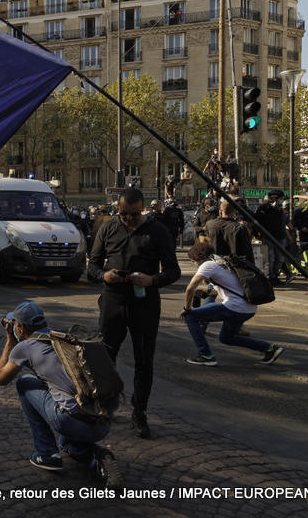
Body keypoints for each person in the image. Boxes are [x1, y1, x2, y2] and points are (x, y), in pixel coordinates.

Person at [87, 188, 180, 439]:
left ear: (142, 210)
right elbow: (92, 265)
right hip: (113, 299)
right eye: (123, 214)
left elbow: (174, 271)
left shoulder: (157, 231)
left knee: (144, 359)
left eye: (134, 214)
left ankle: (139, 413)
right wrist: (103, 275)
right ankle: (106, 405)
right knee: (106, 357)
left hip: (145, 302)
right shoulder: (108, 228)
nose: (128, 219)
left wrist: (153, 280)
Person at [0, 301, 121, 488]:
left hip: (70, 421)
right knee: (68, 444)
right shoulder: (62, 338)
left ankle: (47, 455)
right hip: (102, 420)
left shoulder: (25, 347)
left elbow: (1, 378)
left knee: (24, 382)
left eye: (14, 325)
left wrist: (10, 341)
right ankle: (98, 457)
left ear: (20, 328)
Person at [181, 242, 284, 366]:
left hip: (234, 307)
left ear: (196, 257)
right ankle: (269, 348)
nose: (193, 263)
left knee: (190, 317)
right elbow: (215, 292)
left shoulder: (207, 265)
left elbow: (189, 288)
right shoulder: (222, 262)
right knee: (226, 338)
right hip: (248, 308)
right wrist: (203, 291)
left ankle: (205, 355)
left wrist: (187, 308)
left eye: (192, 261)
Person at [205, 198, 254, 263]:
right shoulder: (239, 228)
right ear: (234, 212)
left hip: (215, 263)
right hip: (234, 265)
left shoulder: (210, 224)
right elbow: (247, 251)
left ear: (220, 211)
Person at [255, 190, 288, 284]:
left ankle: (275, 275)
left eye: (280, 198)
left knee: (280, 259)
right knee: (271, 258)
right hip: (268, 237)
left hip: (281, 237)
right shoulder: (263, 208)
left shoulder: (282, 208)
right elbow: (257, 221)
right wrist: (257, 234)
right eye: (274, 198)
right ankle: (271, 278)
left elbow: (285, 222)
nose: (278, 200)